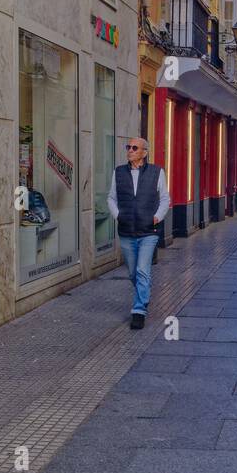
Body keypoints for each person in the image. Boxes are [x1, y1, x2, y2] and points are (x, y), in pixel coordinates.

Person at [108, 136, 170, 329]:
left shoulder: (156, 172)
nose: (130, 151)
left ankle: (139, 310)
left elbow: (165, 199)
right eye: (129, 147)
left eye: (135, 148)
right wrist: (118, 216)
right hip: (126, 231)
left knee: (143, 270)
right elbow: (111, 198)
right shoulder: (119, 172)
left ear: (144, 153)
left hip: (148, 231)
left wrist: (157, 217)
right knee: (134, 273)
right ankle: (143, 295)